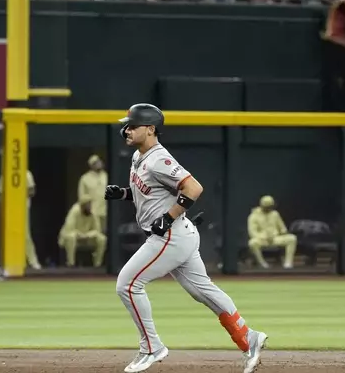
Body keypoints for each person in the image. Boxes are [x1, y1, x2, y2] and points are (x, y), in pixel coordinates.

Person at [104, 103, 267, 373]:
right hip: (180, 234)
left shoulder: (158, 159)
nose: (127, 129)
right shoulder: (138, 156)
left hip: (170, 235)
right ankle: (249, 338)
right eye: (127, 124)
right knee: (203, 291)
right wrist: (122, 193)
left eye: (133, 125)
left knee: (128, 284)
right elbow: (149, 192)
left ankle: (151, 348)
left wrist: (168, 218)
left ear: (151, 129)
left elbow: (193, 188)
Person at [247, 195, 298, 269]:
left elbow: (282, 228)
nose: (269, 208)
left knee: (292, 238)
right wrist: (264, 237)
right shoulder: (253, 216)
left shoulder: (275, 214)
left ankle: (288, 263)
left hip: (275, 238)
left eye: (270, 206)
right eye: (267, 207)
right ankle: (262, 264)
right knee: (252, 243)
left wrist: (283, 232)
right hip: (262, 240)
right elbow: (252, 232)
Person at [57, 195, 107, 268]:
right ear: (83, 205)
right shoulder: (74, 211)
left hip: (88, 237)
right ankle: (71, 263)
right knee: (71, 237)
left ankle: (97, 264)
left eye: (90, 204)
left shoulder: (92, 212)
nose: (89, 206)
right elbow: (69, 229)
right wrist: (79, 234)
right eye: (88, 204)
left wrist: (87, 235)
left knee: (102, 239)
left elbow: (97, 230)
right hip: (75, 236)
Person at [77, 154, 108, 233]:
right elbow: (82, 196)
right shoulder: (85, 178)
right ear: (91, 165)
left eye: (99, 161)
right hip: (93, 212)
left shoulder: (106, 176)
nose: (98, 164)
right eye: (95, 162)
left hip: (105, 211)